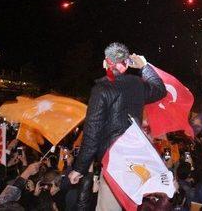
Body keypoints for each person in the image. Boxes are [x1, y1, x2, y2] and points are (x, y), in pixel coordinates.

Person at [67, 42, 167, 211]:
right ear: (127, 63)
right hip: (135, 160)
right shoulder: (137, 85)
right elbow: (160, 90)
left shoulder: (101, 89)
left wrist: (79, 168)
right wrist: (144, 66)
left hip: (114, 161)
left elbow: (92, 132)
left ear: (105, 63)